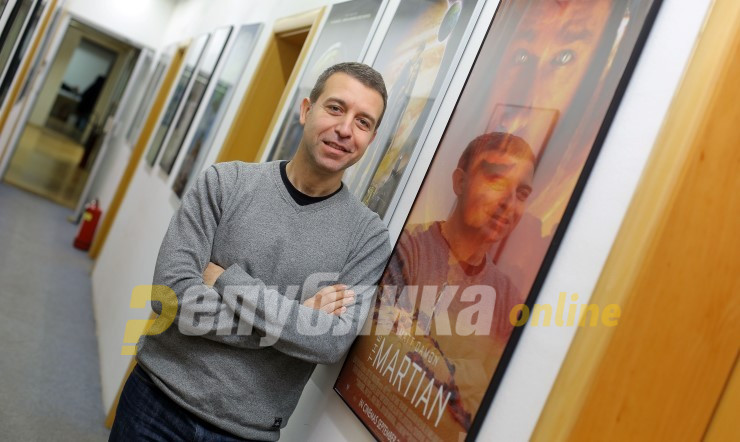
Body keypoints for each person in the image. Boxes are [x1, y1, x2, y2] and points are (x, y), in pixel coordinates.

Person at [110, 63, 391, 441]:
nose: (345, 129)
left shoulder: (369, 238)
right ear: (306, 110)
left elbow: (329, 342)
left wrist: (227, 280)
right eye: (336, 108)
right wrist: (295, 320)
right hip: (156, 402)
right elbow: (169, 296)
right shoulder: (224, 183)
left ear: (371, 139)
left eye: (363, 122)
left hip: (248, 433)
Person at [372, 132, 534, 432]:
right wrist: (469, 373)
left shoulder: (508, 298)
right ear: (460, 182)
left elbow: (492, 396)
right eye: (497, 181)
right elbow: (387, 354)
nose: (509, 203)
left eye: (522, 193)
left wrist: (435, 360)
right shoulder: (409, 249)